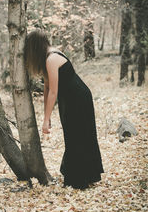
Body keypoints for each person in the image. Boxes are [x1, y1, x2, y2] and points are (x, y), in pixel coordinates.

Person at [24, 29, 104, 189]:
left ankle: (80, 179)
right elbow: (47, 88)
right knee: (72, 136)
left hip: (78, 98)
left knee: (78, 136)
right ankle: (80, 175)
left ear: (34, 47)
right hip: (68, 99)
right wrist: (46, 116)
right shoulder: (46, 58)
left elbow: (53, 90)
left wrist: (46, 120)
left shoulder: (52, 58)